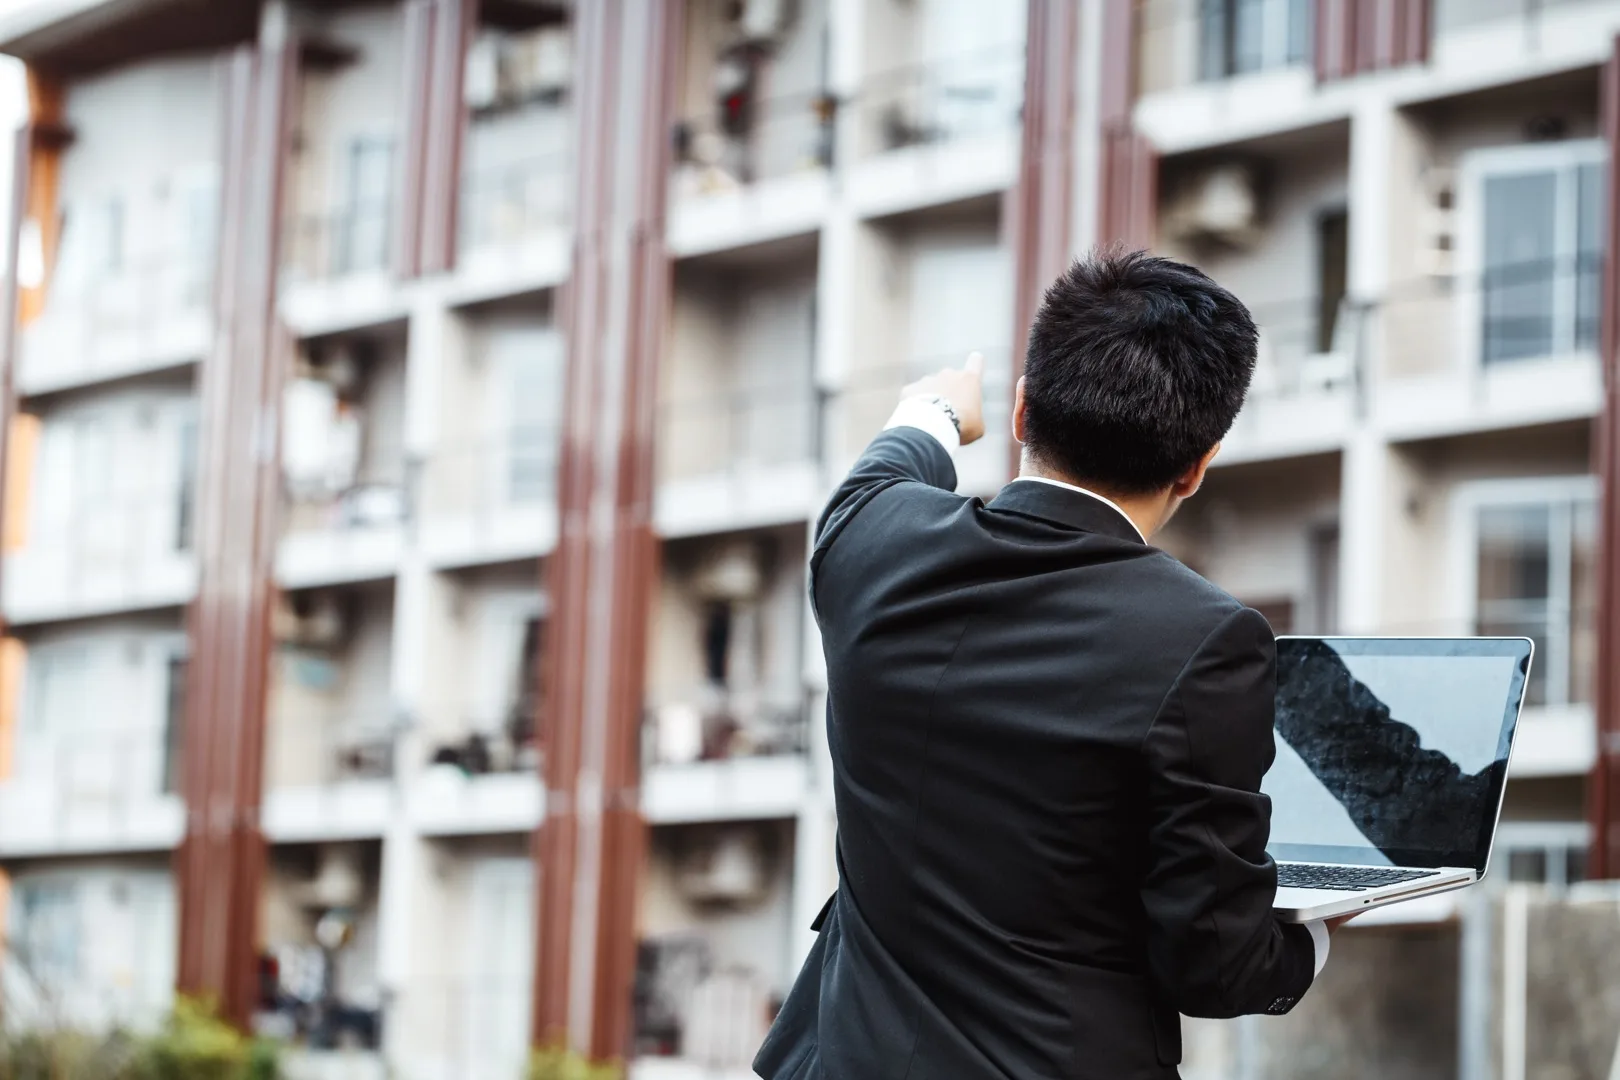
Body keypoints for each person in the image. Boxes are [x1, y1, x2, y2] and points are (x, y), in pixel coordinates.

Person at [754, 251, 1345, 1080]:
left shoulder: (868, 544)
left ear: (1023, 408)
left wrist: (932, 409)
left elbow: (887, 464)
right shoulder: (1204, 640)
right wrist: (1315, 938)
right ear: (1198, 463)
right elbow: (1215, 964)